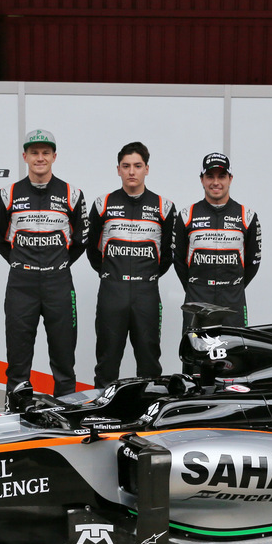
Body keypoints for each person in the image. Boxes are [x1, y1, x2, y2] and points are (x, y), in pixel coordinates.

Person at [0, 129, 87, 397]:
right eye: (34, 152)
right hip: (22, 284)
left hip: (58, 283)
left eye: (45, 152)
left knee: (64, 361)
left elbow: (80, 241)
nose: (40, 158)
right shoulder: (8, 194)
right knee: (18, 363)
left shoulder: (73, 193)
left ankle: (67, 425)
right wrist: (22, 263)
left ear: (54, 156)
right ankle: (17, 421)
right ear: (25, 156)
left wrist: (58, 264)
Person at [86, 142, 176, 387]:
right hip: (112, 292)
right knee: (106, 362)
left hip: (146, 292)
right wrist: (113, 275)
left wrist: (146, 276)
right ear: (118, 170)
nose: (131, 172)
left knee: (149, 363)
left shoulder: (164, 207)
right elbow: (93, 251)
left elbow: (167, 254)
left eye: (137, 166)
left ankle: (148, 420)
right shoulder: (102, 204)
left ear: (147, 168)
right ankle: (103, 418)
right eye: (126, 166)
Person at [174, 152, 262, 327]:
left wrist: (233, 287)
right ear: (202, 179)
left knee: (233, 353)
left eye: (221, 176)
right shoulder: (186, 216)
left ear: (230, 178)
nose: (216, 182)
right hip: (197, 297)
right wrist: (196, 286)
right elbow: (178, 260)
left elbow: (253, 262)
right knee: (196, 351)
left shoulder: (247, 216)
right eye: (210, 176)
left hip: (232, 298)